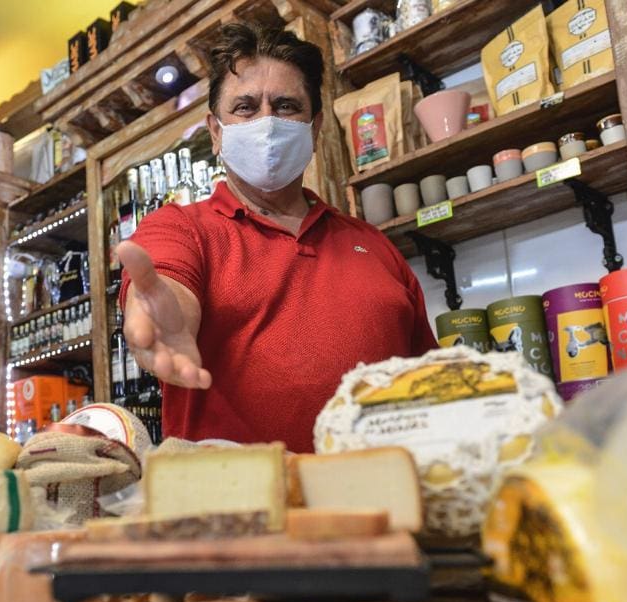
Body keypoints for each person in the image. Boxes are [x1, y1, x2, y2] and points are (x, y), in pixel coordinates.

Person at [118, 22, 437, 453]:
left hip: (384, 505)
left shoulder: (374, 245)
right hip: (238, 513)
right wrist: (162, 317)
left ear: (315, 127)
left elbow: (432, 382)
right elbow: (165, 287)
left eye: (286, 106)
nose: (267, 122)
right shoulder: (180, 228)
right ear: (216, 132)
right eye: (246, 107)